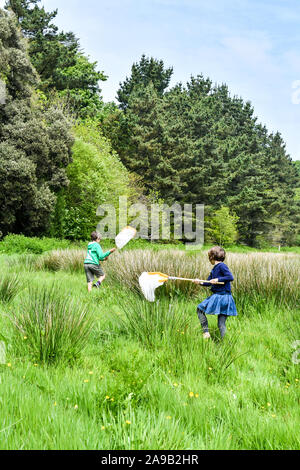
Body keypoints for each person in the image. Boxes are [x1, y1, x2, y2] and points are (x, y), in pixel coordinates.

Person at [194, 246, 237, 339]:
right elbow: (208, 282)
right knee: (220, 323)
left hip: (222, 296)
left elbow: (230, 277)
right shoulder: (214, 269)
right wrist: (199, 282)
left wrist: (218, 279)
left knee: (200, 309)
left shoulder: (222, 266)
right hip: (224, 297)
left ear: (212, 257)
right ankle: (223, 341)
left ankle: (206, 333)